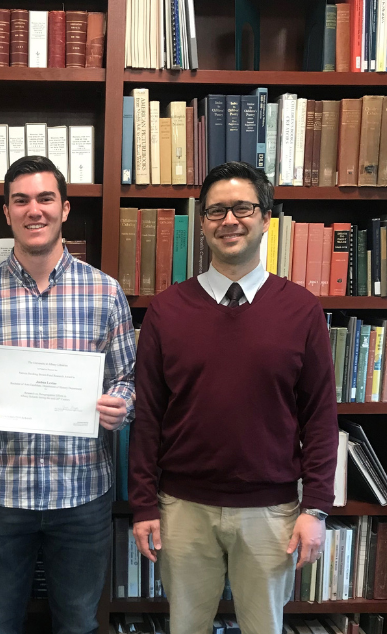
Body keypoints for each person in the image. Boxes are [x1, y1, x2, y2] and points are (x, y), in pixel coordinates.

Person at [129, 161, 335, 634]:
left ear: (266, 218)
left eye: (243, 208)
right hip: (182, 509)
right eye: (216, 211)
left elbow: (320, 417)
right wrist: (143, 504)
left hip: (273, 514)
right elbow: (148, 419)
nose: (229, 221)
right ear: (202, 224)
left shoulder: (302, 309)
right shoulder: (166, 310)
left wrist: (316, 508)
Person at [0, 155, 136, 634]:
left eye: (45, 198)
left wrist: (120, 406)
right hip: (0, 497)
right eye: (22, 200)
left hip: (82, 494)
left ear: (65, 208)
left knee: (77, 623)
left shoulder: (104, 291)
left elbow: (128, 378)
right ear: (7, 212)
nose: (35, 210)